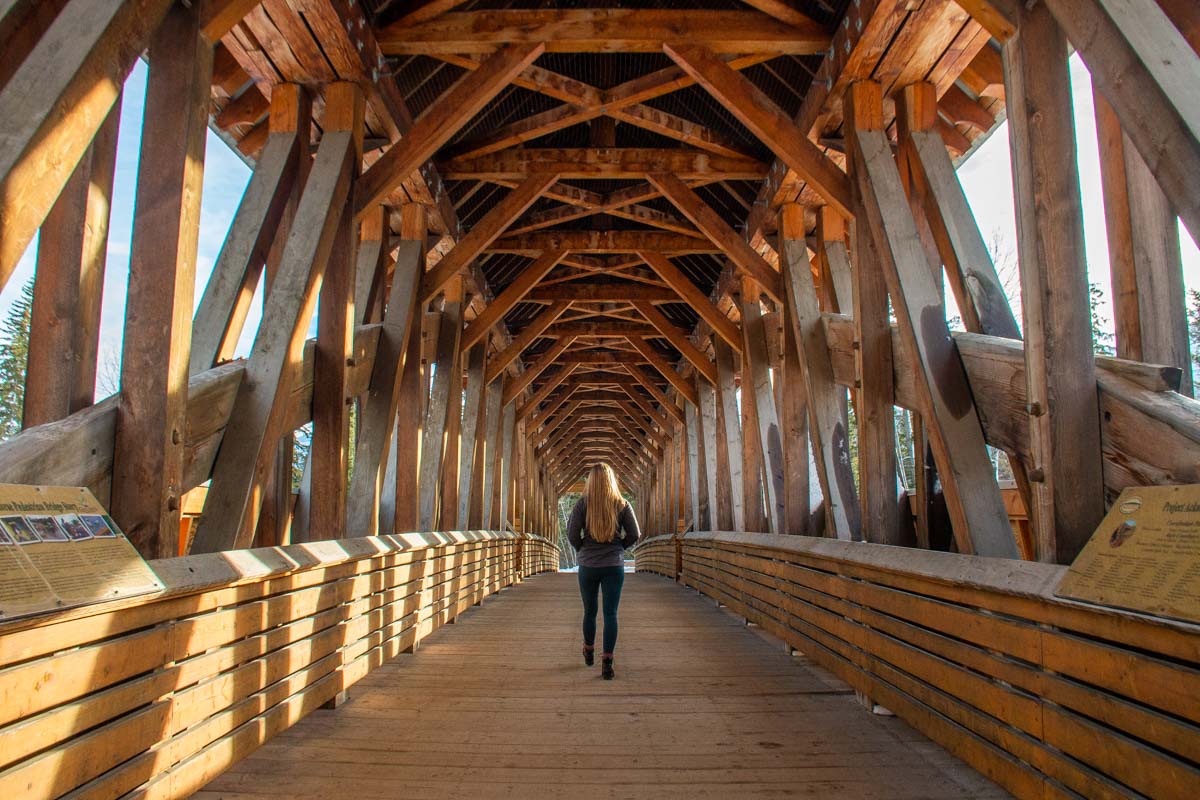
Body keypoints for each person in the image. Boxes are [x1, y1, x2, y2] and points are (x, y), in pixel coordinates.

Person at [567, 463, 641, 680]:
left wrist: (583, 548)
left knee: (589, 612)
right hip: (613, 566)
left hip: (588, 566)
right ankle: (607, 661)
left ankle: (589, 651)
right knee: (610, 614)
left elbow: (572, 534)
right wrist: (619, 548)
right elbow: (635, 534)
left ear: (590, 481)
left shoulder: (582, 505)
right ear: (612, 480)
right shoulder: (622, 504)